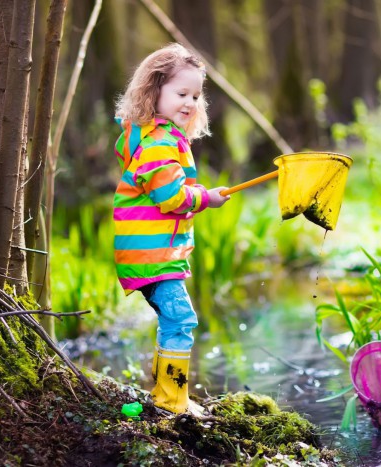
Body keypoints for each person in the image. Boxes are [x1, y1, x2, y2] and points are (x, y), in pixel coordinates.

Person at [113, 43, 230, 415]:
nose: (190, 102)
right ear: (154, 91)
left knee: (174, 320)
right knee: (181, 319)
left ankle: (169, 395)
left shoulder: (162, 138)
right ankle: (171, 400)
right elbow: (171, 197)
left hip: (156, 253)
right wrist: (205, 197)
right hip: (152, 255)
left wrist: (198, 194)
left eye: (196, 95)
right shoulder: (159, 144)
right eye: (181, 93)